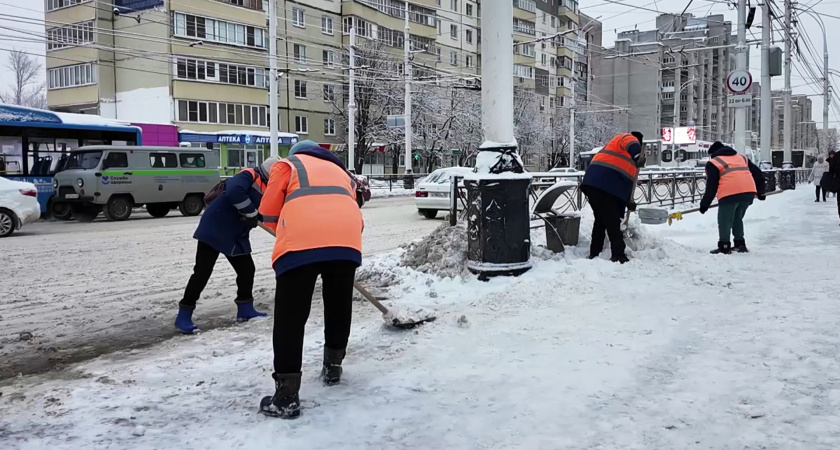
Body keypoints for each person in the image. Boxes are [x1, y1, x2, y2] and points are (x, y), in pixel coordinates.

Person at [258, 140, 363, 419]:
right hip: (347, 241)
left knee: (290, 317)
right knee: (339, 305)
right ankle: (333, 368)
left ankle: (286, 396)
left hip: (300, 244)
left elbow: (267, 212)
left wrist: (290, 224)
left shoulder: (287, 165)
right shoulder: (341, 172)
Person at [174, 157, 279, 334]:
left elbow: (264, 213)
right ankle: (183, 315)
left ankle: (245, 309)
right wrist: (251, 212)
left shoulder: (268, 186)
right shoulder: (249, 175)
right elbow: (234, 192)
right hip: (215, 228)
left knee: (247, 270)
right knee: (202, 272)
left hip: (235, 234)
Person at [580, 131, 646, 264]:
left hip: (594, 184)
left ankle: (595, 252)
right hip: (603, 184)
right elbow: (630, 142)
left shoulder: (627, 160)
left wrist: (628, 202)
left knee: (601, 220)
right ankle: (618, 255)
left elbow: (625, 186)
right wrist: (637, 154)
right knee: (612, 221)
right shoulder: (626, 138)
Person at [699, 142, 766, 254]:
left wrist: (704, 204)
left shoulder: (714, 162)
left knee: (724, 220)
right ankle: (740, 244)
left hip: (729, 194)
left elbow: (711, 186)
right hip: (748, 193)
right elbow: (758, 173)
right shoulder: (742, 158)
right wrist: (761, 192)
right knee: (737, 218)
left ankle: (724, 246)